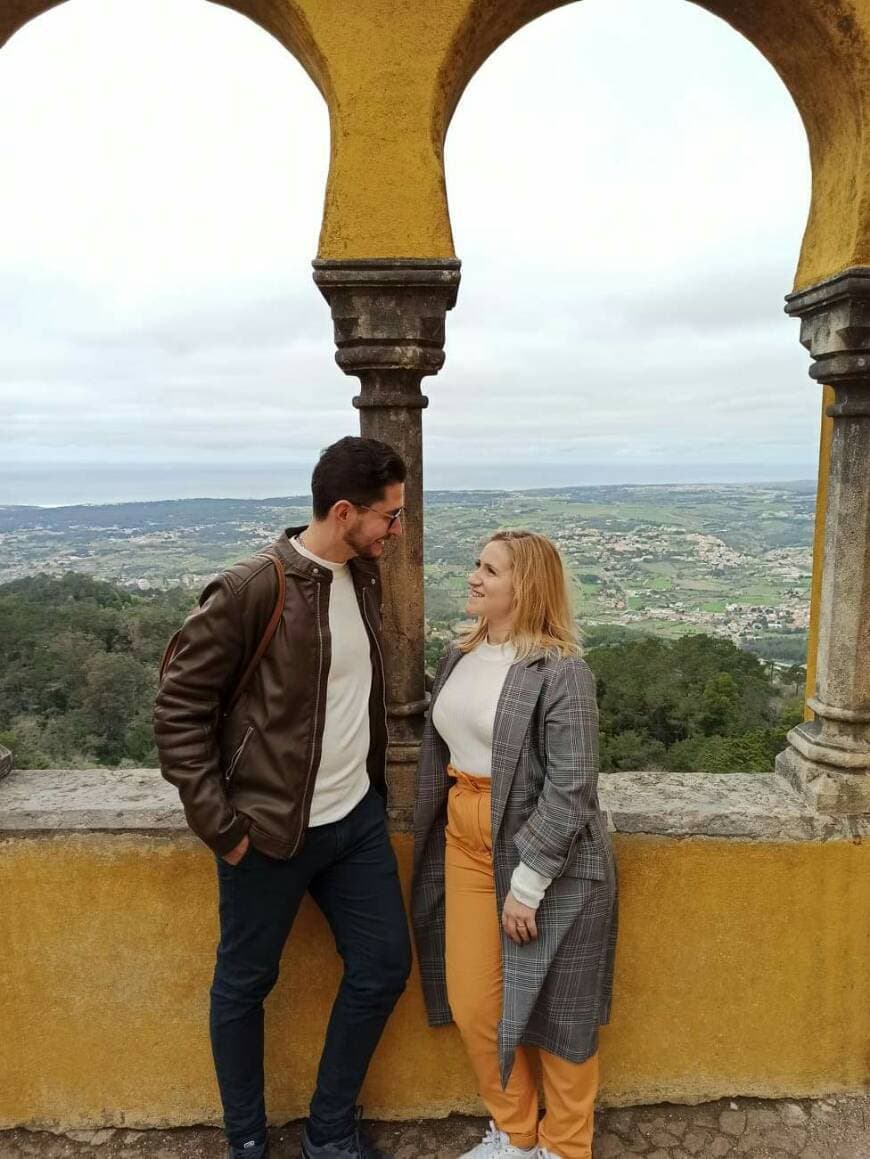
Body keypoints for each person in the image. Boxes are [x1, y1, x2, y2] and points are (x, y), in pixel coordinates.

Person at [154, 436, 412, 1159]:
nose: (396, 530)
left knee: (384, 965)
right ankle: (246, 1139)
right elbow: (178, 710)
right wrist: (223, 828)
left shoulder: (361, 576)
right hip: (265, 832)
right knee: (243, 983)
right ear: (341, 510)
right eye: (388, 516)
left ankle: (329, 1129)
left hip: (353, 824)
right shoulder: (250, 588)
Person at [411, 530, 618, 1159]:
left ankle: (565, 1147)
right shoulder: (460, 655)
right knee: (474, 1002)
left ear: (525, 587)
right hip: (466, 842)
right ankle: (517, 1135)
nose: (474, 577)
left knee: (562, 1012)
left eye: (490, 570)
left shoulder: (562, 671)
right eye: (477, 565)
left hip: (547, 860)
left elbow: (574, 783)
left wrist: (528, 884)